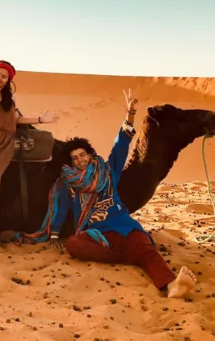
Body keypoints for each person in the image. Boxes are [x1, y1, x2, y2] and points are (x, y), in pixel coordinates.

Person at [17, 90, 197, 299]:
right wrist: (55, 234)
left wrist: (129, 116)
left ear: (90, 155)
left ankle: (171, 284)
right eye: (75, 158)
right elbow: (61, 208)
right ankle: (128, 255)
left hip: (121, 224)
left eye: (82, 155)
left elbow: (120, 145)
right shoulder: (68, 183)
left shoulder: (107, 170)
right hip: (95, 233)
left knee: (147, 250)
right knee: (74, 244)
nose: (80, 160)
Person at [0, 60, 59, 247]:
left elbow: (17, 120)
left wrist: (41, 119)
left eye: (4, 76)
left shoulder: (9, 99)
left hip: (4, 143)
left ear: (8, 80)